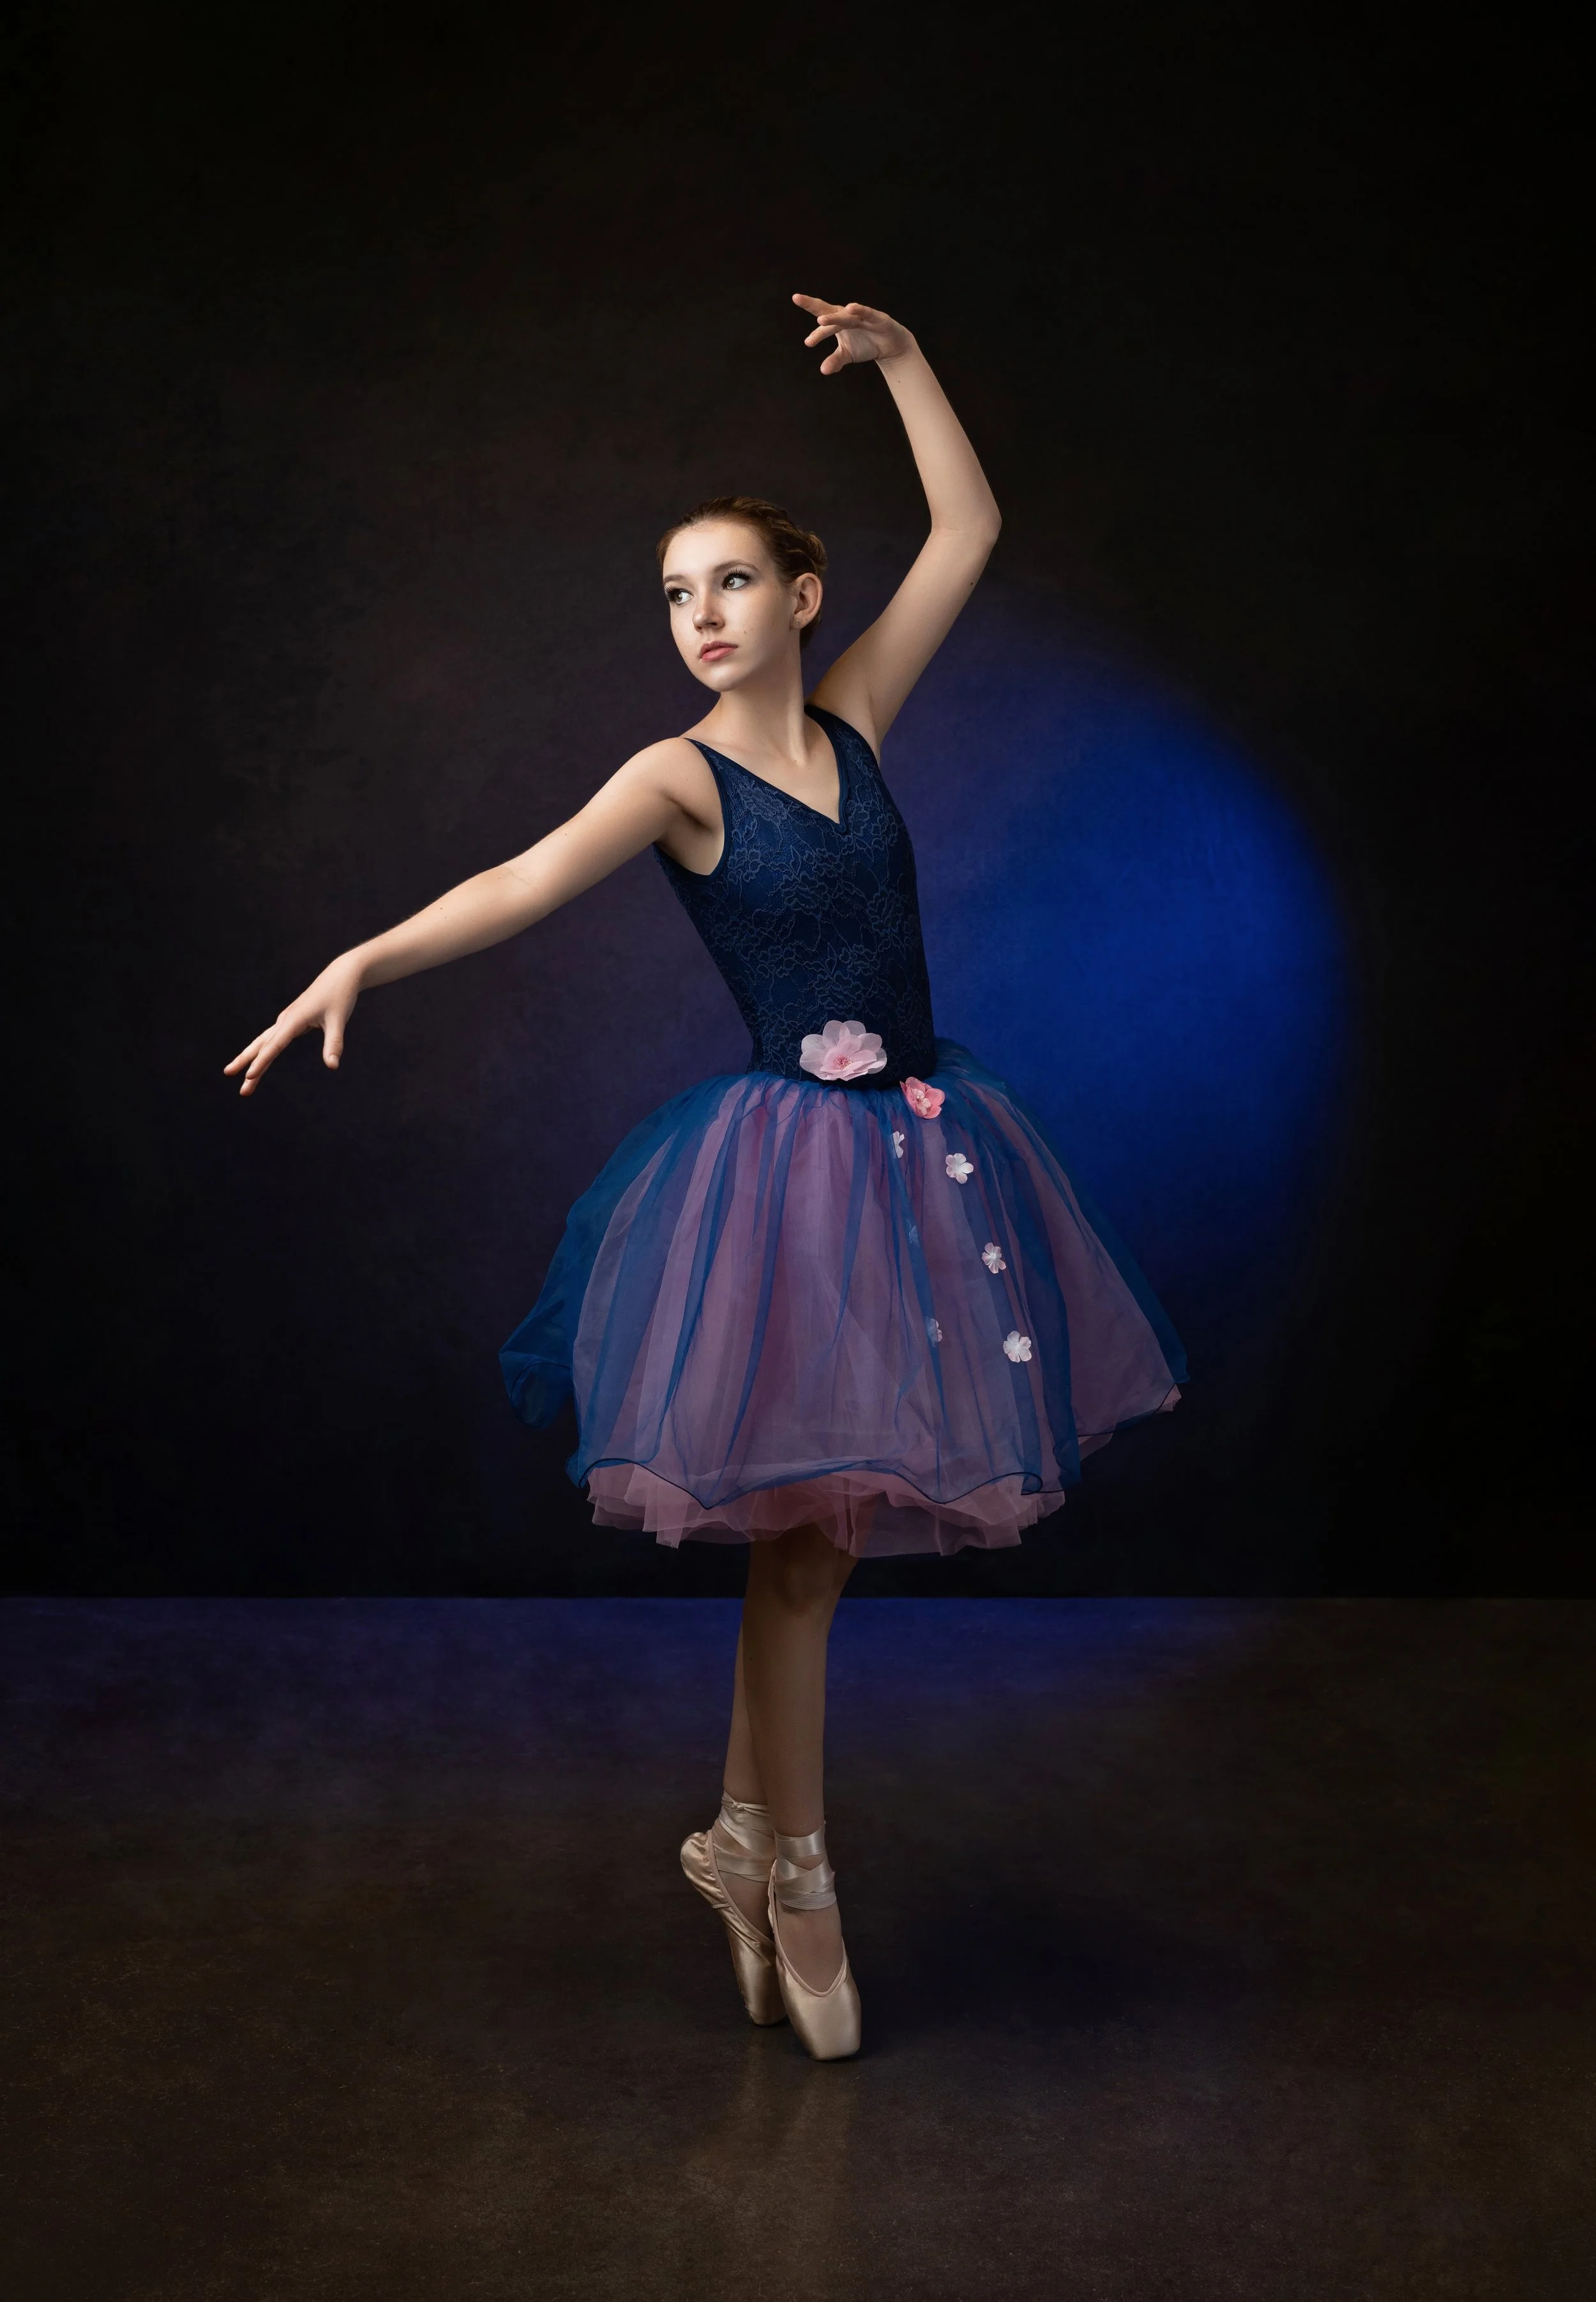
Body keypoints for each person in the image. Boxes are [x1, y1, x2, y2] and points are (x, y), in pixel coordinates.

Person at [225, 296, 1185, 2061]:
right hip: (783, 1190)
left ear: (801, 599)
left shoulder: (861, 717)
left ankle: (750, 1840)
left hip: (921, 1151)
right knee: (807, 1545)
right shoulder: (672, 778)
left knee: (808, 1552)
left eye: (729, 582)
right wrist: (358, 957)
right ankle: (793, 1865)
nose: (699, 616)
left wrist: (902, 364)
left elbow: (969, 528)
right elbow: (517, 881)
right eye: (675, 593)